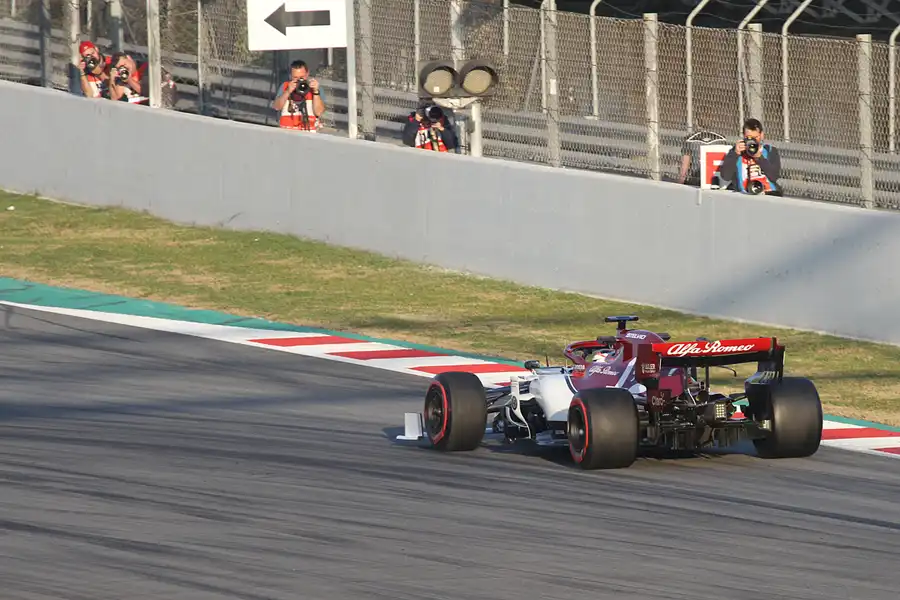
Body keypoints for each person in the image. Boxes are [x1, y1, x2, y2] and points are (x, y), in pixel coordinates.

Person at [718, 118, 782, 196]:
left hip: (769, 193)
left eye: (755, 138)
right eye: (749, 138)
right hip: (745, 194)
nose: (753, 141)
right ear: (744, 136)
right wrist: (735, 154)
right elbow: (726, 176)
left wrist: (759, 158)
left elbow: (774, 176)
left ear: (761, 135)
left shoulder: (770, 151)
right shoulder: (737, 152)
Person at [272, 60, 326, 132]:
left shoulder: (314, 88)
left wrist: (315, 92)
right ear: (290, 76)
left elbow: (318, 112)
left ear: (307, 74)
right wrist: (287, 92)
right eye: (295, 77)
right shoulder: (285, 86)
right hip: (287, 131)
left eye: (302, 77)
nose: (299, 80)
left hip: (309, 132)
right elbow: (276, 107)